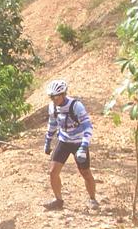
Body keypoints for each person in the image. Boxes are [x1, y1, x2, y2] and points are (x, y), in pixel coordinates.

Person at [42, 79, 98, 211]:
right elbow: (52, 124)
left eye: (56, 97)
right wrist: (48, 141)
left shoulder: (76, 106)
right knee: (53, 172)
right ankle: (58, 200)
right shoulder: (52, 107)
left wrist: (83, 146)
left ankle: (92, 199)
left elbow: (88, 127)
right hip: (64, 141)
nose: (53, 100)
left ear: (63, 94)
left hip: (79, 142)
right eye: (51, 97)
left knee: (85, 172)